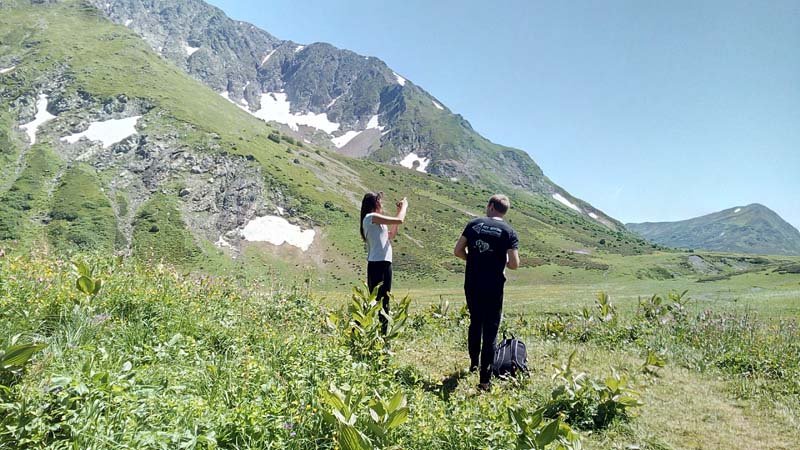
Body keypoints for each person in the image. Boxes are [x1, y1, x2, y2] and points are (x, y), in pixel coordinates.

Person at [453, 194, 520, 390]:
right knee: (491, 330)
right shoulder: (509, 232)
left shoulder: (474, 224)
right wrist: (497, 261)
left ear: (491, 206)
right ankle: (484, 381)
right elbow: (514, 264)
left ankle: (474, 364)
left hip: (472, 282)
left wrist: (474, 260)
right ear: (504, 211)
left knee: (475, 322)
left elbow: (457, 251)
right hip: (494, 285)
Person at [360, 191, 408, 334]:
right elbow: (399, 220)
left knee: (381, 300)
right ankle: (378, 334)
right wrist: (404, 207)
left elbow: (391, 235)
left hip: (382, 263)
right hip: (378, 264)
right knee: (379, 301)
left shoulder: (376, 222)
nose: (381, 204)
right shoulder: (371, 217)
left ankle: (378, 333)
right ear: (375, 203)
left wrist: (398, 211)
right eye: (379, 201)